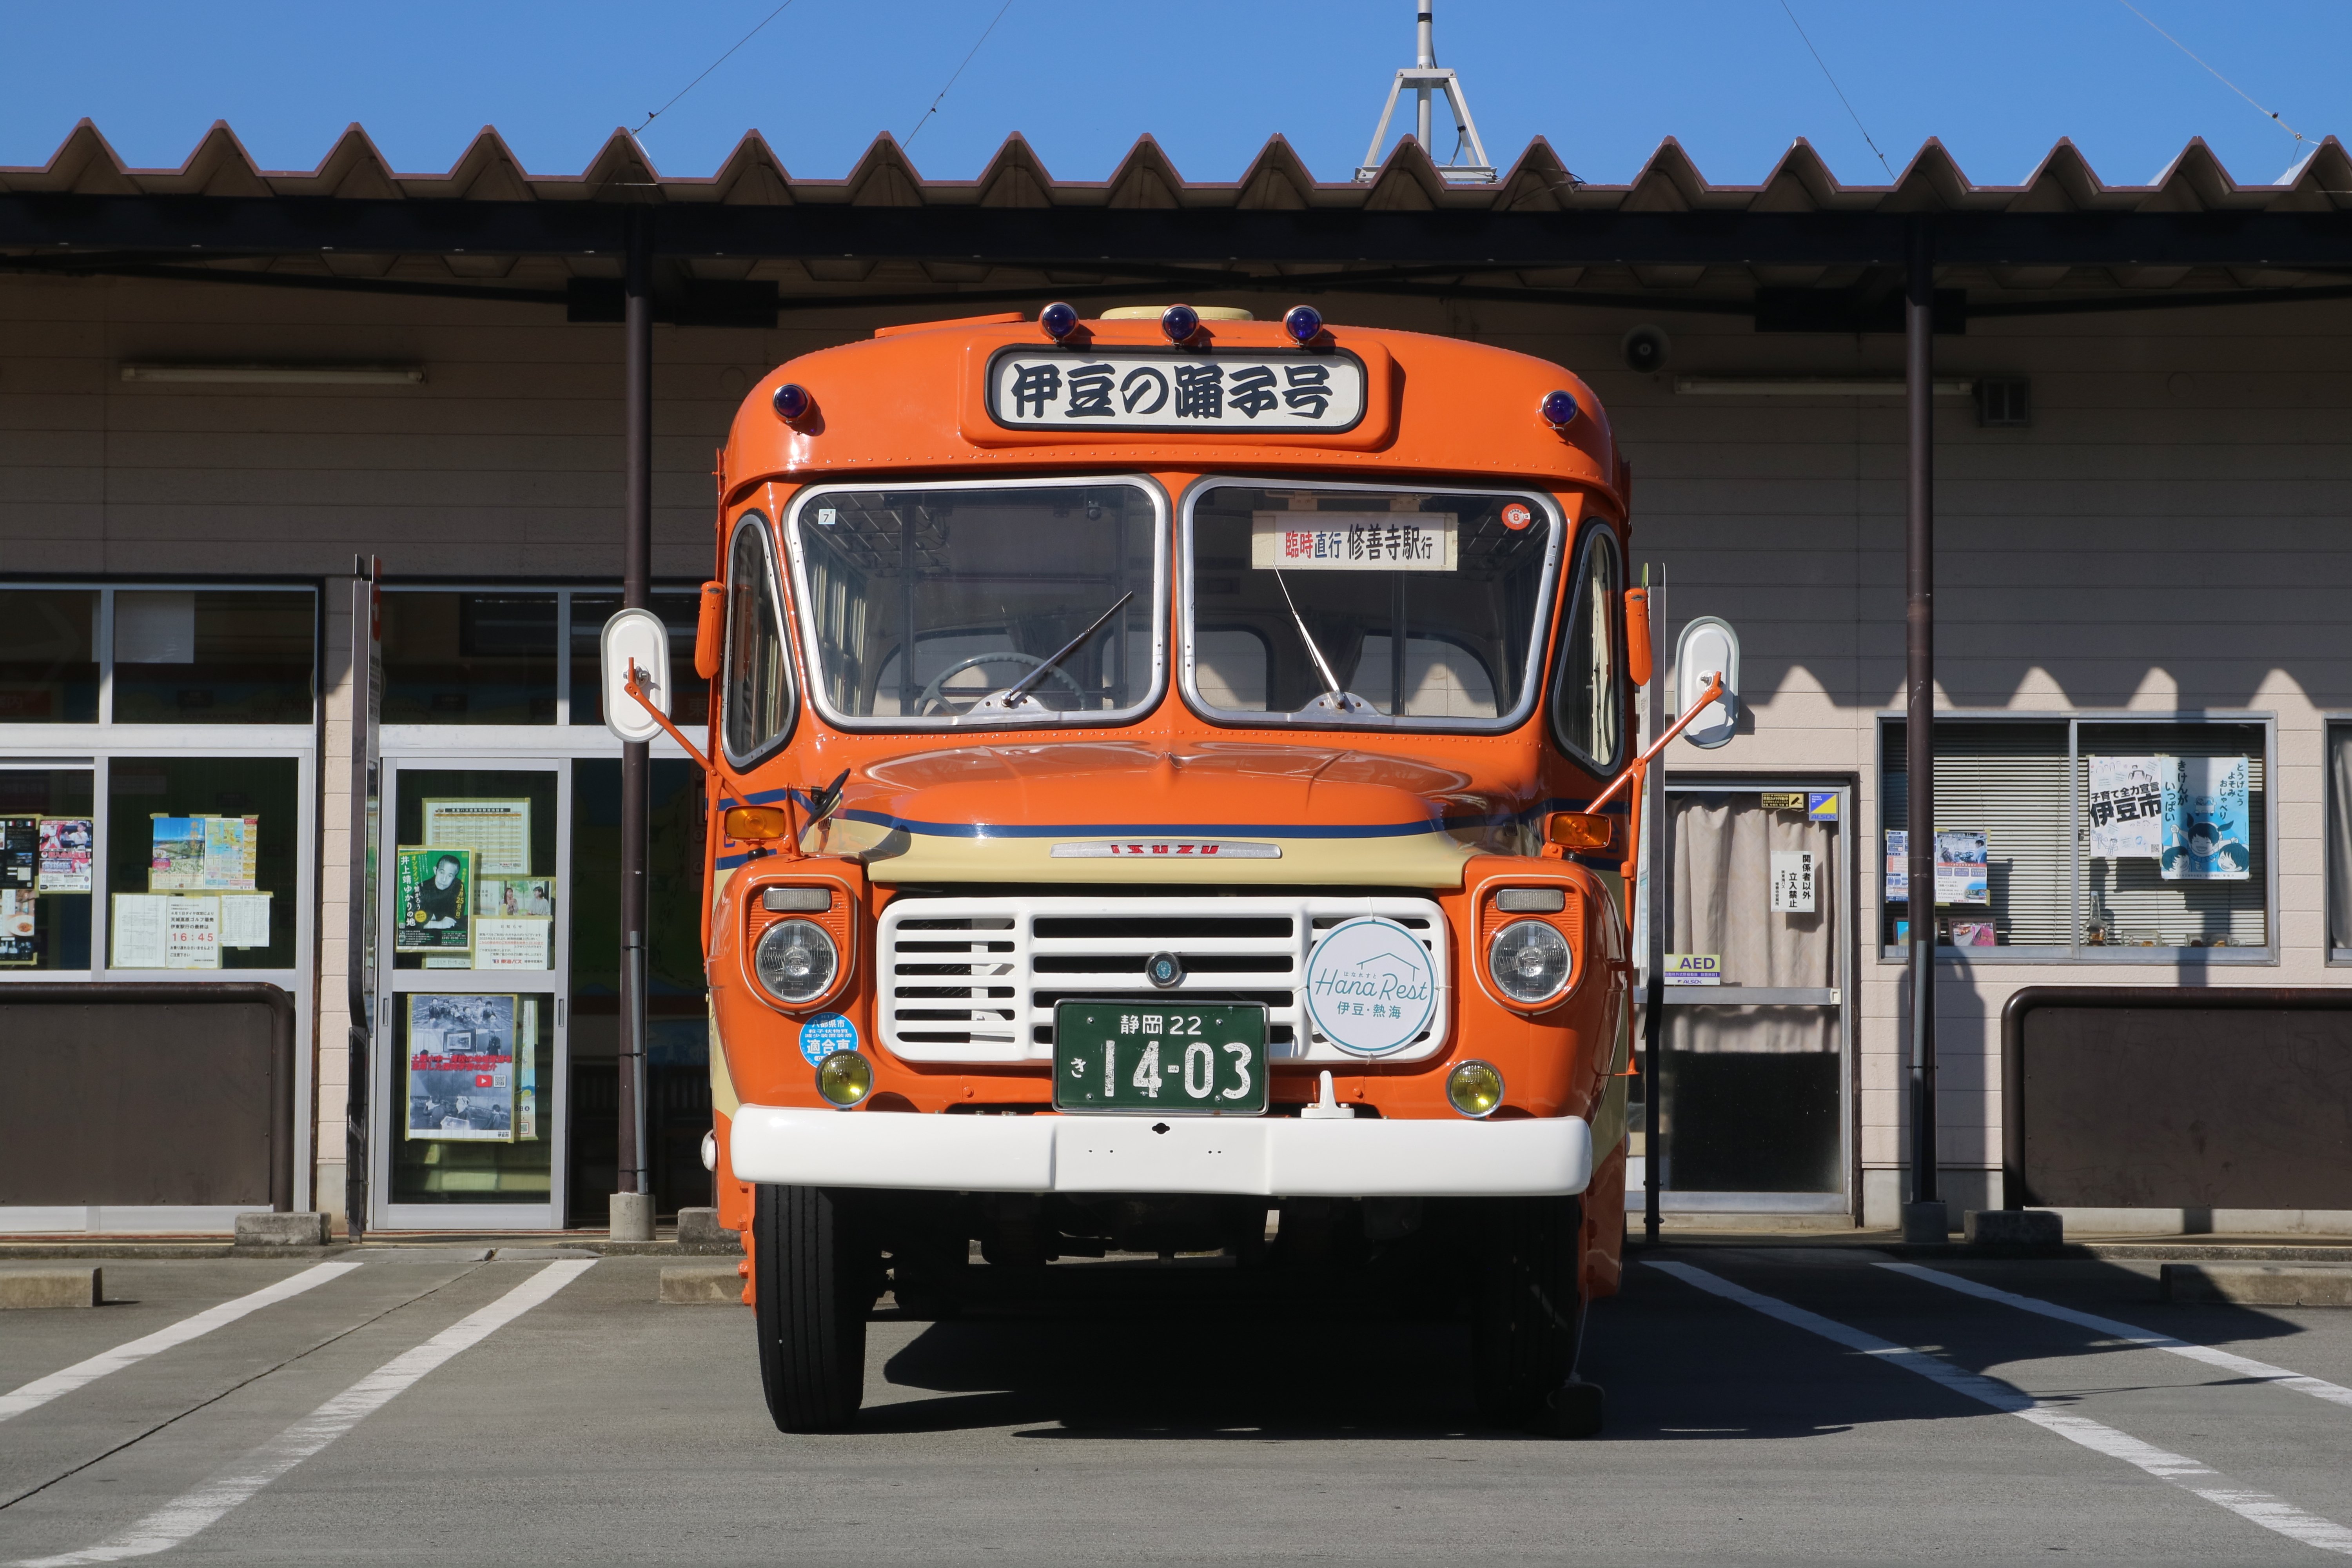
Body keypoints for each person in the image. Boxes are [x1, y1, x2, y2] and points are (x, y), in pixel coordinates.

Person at [416, 853, 465, 929]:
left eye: (450, 876)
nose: (444, 880)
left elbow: (456, 915)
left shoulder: (458, 886)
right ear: (435, 871)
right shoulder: (422, 888)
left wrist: (431, 917)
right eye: (442, 872)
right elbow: (412, 920)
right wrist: (437, 924)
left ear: (454, 878)